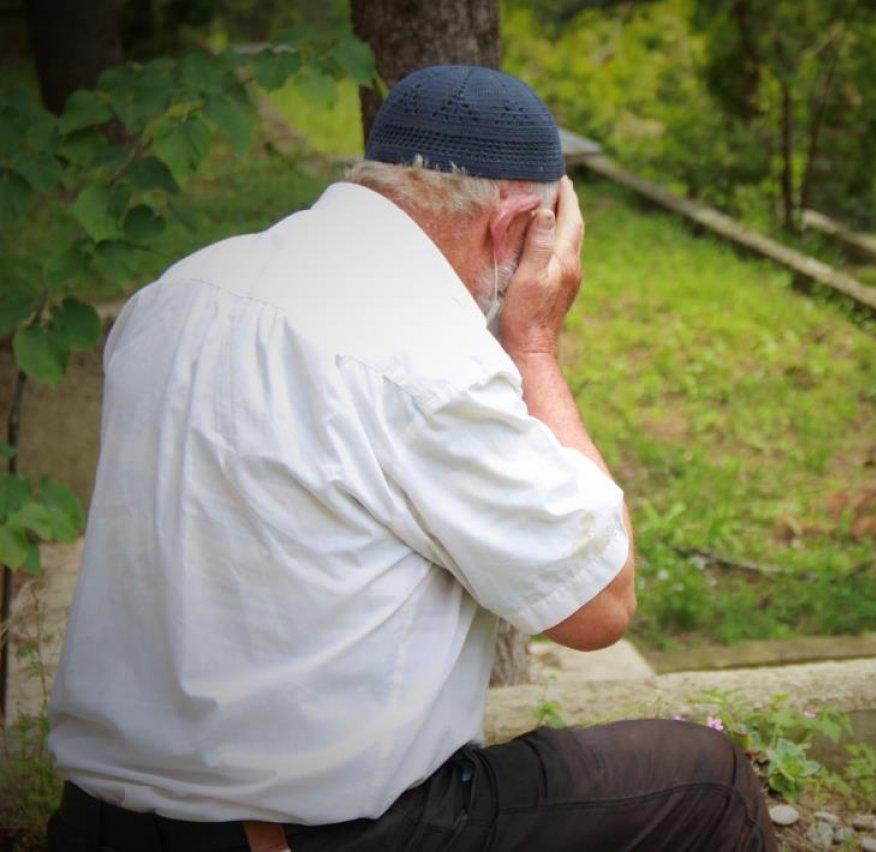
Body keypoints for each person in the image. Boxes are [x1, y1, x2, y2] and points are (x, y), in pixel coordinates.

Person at [45, 65, 777, 851]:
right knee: (710, 781)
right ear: (516, 229)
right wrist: (533, 344)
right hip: (316, 835)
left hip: (103, 823)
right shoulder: (427, 355)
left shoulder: (181, 290)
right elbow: (600, 605)